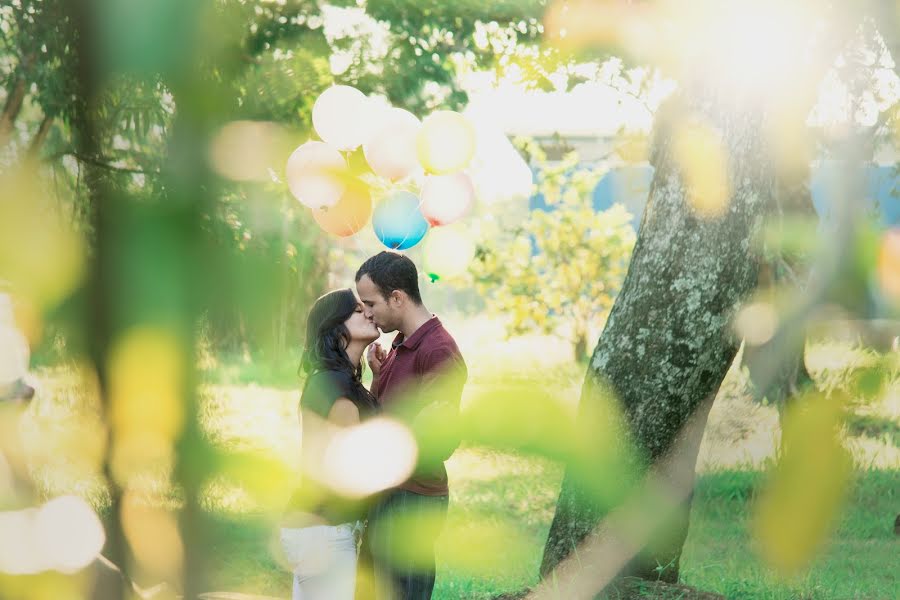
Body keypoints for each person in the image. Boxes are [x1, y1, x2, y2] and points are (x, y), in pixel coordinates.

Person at [355, 252, 467, 600]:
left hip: (413, 499)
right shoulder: (401, 343)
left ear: (398, 297)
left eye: (370, 303)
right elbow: (386, 415)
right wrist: (377, 378)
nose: (367, 313)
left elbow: (440, 440)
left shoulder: (438, 351)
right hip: (389, 491)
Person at [280, 288, 381, 600]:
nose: (368, 312)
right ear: (336, 329)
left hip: (317, 526)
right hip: (324, 530)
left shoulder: (338, 379)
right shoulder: (334, 383)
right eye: (357, 309)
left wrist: (377, 379)